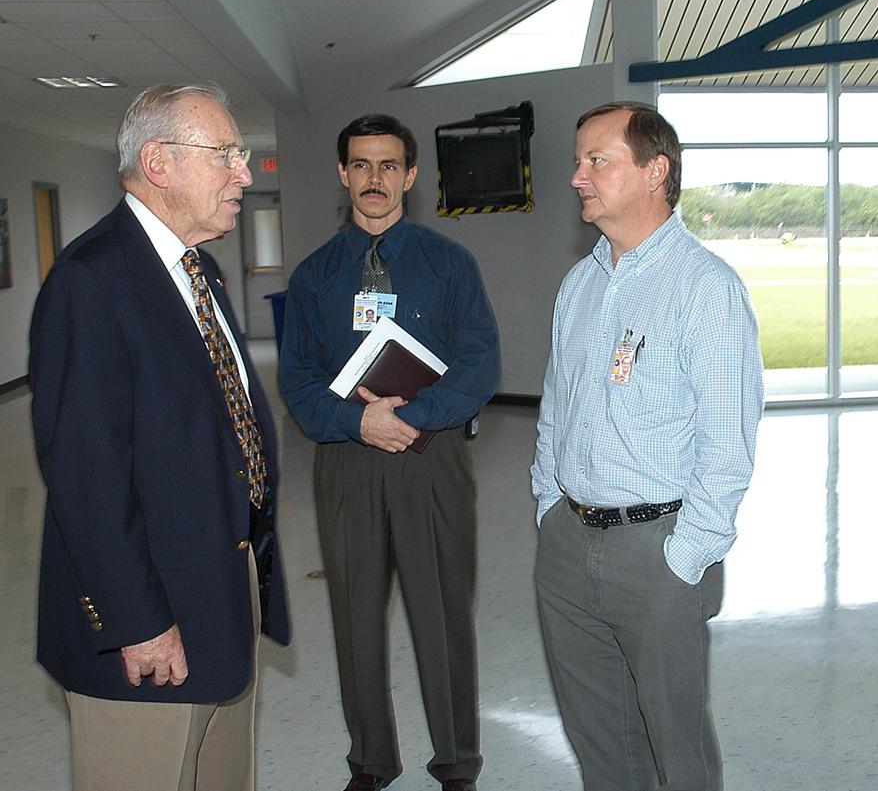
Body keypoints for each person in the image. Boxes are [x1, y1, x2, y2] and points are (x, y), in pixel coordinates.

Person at [29, 81, 290, 791]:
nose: (242, 174)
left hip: (222, 583)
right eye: (225, 154)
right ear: (158, 162)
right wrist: (137, 621)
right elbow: (86, 476)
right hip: (150, 618)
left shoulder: (196, 270)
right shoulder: (91, 280)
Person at [531, 102, 764, 791]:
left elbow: (728, 443)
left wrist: (685, 557)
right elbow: (556, 409)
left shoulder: (706, 288)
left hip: (658, 551)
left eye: (596, 160)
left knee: (678, 751)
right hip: (568, 544)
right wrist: (548, 507)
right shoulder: (579, 285)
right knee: (601, 750)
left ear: (655, 171)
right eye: (578, 161)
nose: (577, 176)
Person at [279, 113, 499, 791]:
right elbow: (297, 380)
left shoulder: (450, 264)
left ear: (410, 175)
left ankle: (456, 760)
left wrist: (411, 417)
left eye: (387, 165)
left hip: (431, 457)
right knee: (355, 617)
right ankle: (371, 759)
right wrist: (357, 422)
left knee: (444, 615)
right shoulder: (314, 276)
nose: (373, 178)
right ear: (342, 174)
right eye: (360, 165)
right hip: (347, 462)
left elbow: (480, 364)